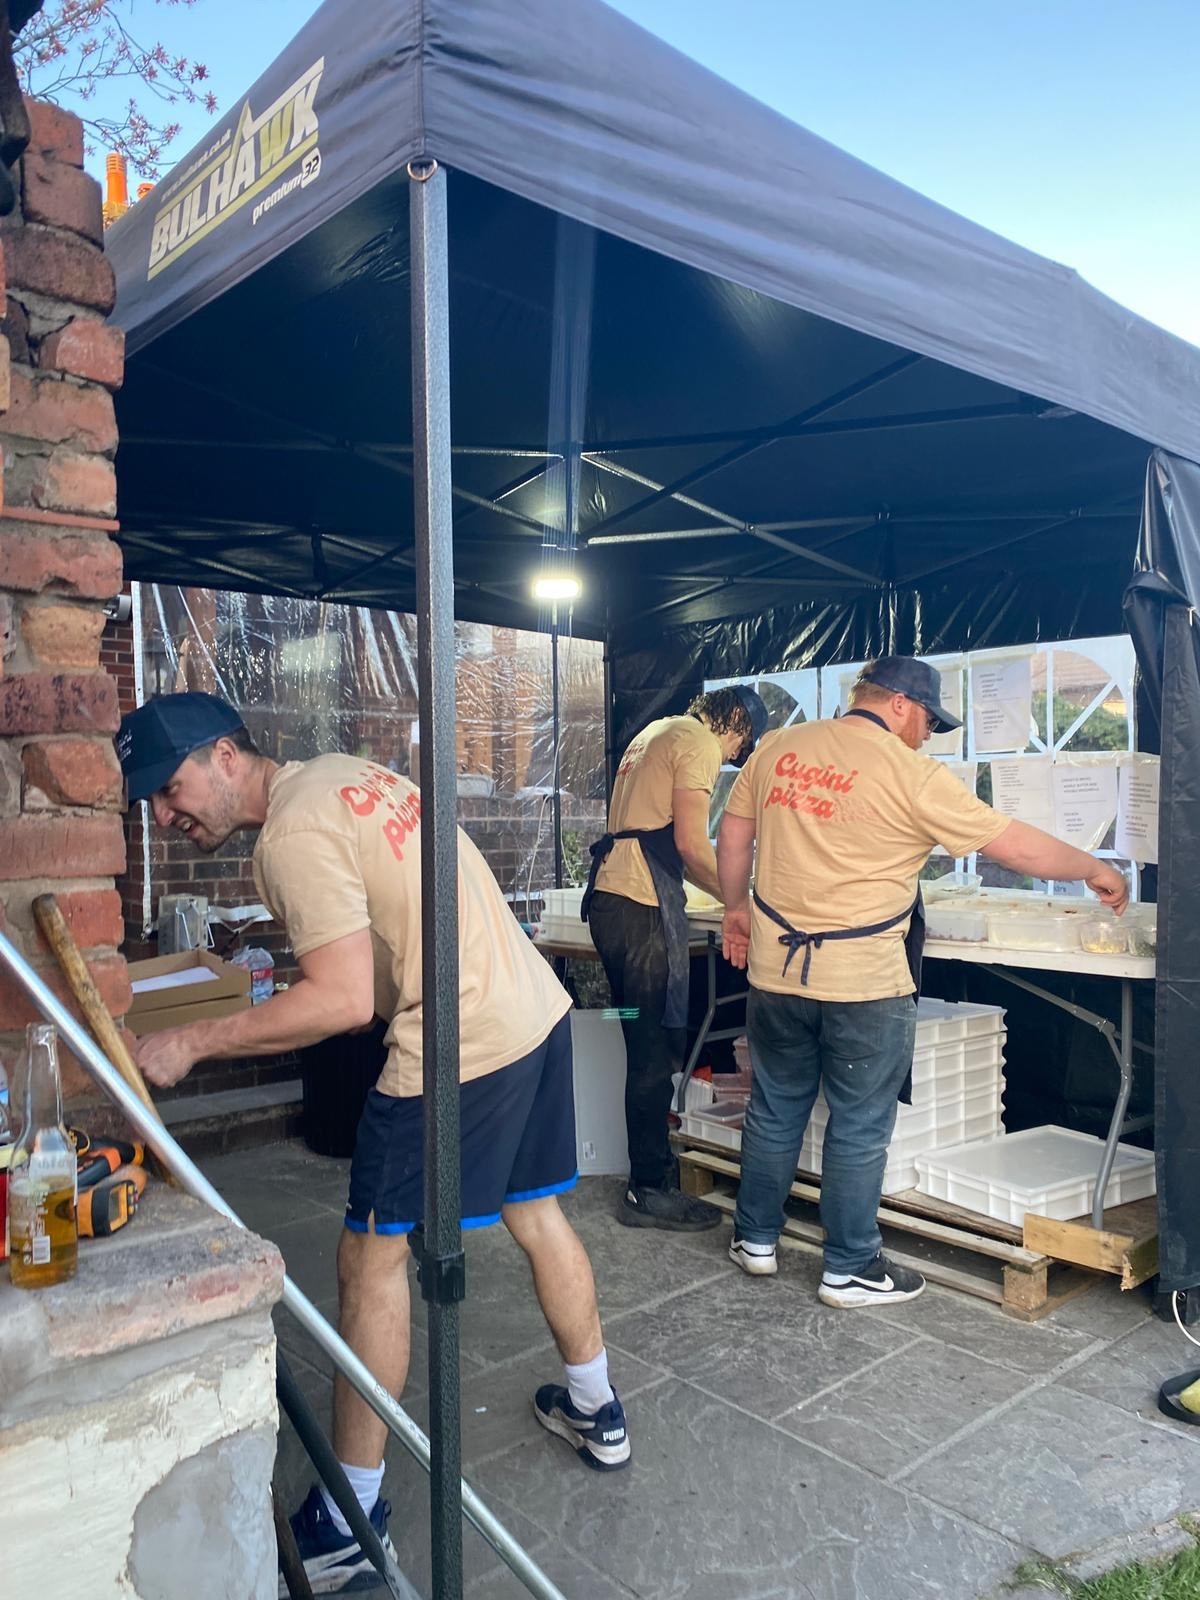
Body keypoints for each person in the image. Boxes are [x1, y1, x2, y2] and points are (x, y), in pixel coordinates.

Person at [116, 692, 632, 1595]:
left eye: (168, 787)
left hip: (459, 1036)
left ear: (226, 755)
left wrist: (192, 1041)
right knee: (535, 1210)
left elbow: (343, 1001)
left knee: (371, 1258)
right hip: (530, 1008)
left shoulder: (290, 834)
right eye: (150, 804)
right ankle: (598, 1410)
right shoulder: (341, 776)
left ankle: (349, 1522)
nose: (165, 814)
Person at [717, 656, 1129, 1307]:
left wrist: (735, 909)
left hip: (775, 972)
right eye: (930, 723)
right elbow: (1011, 845)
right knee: (858, 1124)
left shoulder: (778, 749)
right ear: (902, 705)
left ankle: (755, 1240)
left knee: (774, 1106)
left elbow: (735, 833)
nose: (928, 736)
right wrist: (1094, 868)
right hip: (863, 984)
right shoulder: (912, 773)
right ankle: (849, 1266)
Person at [583, 684, 769, 1231]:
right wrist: (742, 900)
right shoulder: (698, 743)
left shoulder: (656, 731)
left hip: (613, 902)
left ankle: (650, 1176)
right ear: (733, 721)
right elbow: (691, 843)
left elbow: (669, 844)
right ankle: (649, 1189)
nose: (735, 756)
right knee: (654, 1049)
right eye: (742, 745)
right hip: (640, 910)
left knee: (639, 1036)